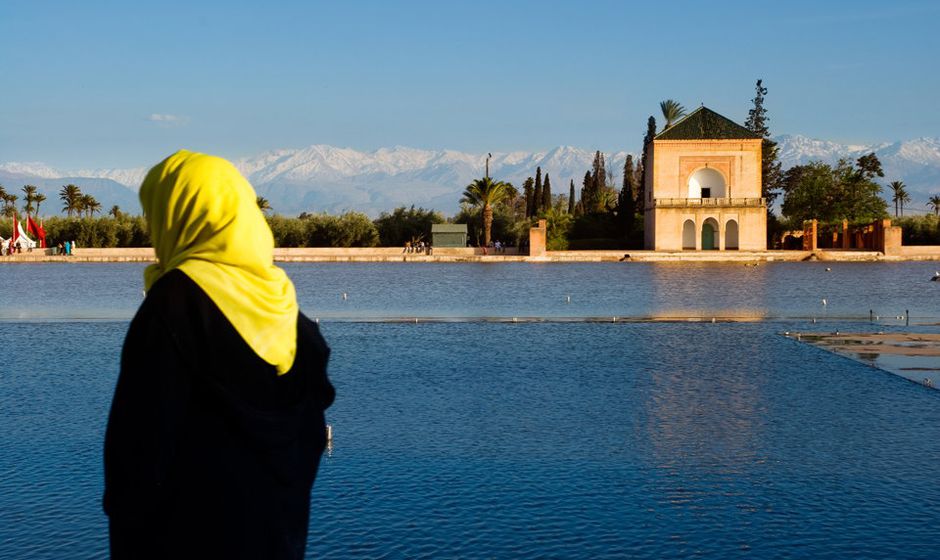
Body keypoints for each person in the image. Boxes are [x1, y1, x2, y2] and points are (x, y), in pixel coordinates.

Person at [103, 150, 334, 559]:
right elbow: (310, 438)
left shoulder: (174, 304)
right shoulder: (284, 307)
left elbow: (137, 457)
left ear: (179, 215)